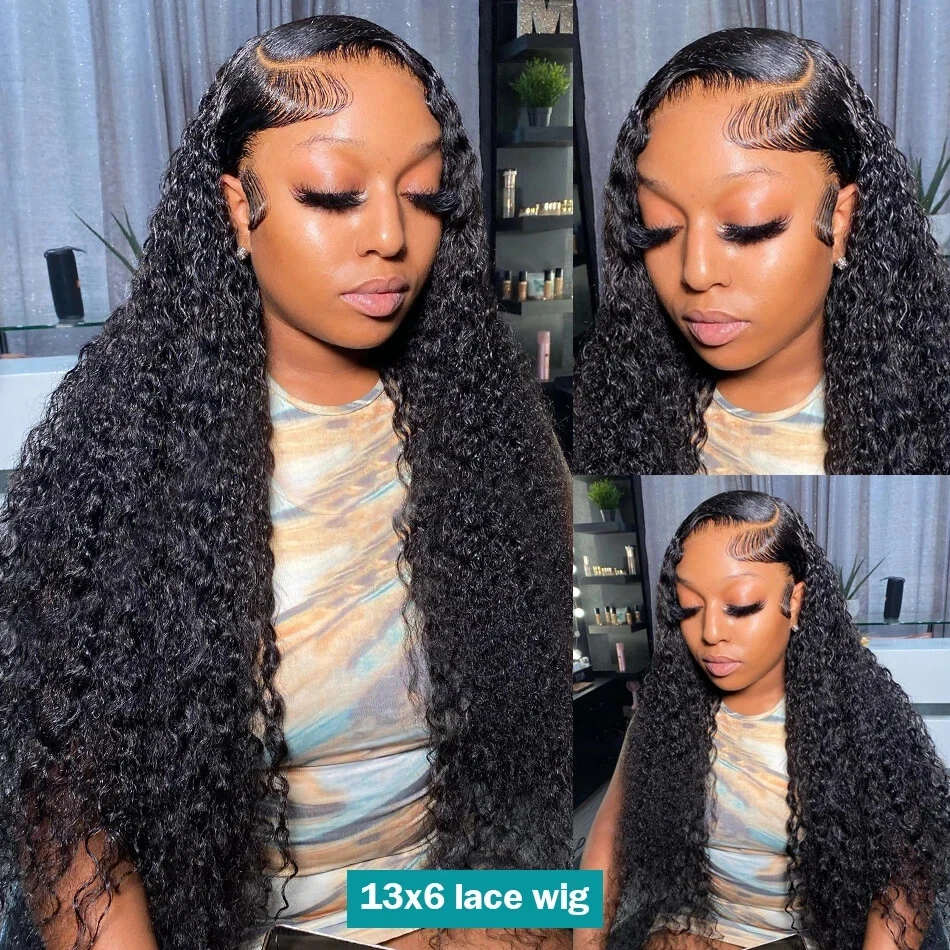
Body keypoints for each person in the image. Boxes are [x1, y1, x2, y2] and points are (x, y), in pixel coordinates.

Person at [0, 16, 571, 950]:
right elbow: (68, 824)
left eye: (423, 195)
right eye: (334, 195)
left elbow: (528, 778)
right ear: (238, 206)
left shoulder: (499, 438)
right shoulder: (130, 460)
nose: (390, 235)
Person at [578, 490, 950, 950]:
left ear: (796, 601)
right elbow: (609, 840)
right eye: (689, 608)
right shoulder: (665, 714)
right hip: (693, 930)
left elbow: (907, 877)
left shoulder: (859, 719)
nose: (711, 633)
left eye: (741, 607)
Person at [574, 28, 950, 475]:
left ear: (840, 220)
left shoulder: (928, 418)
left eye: (749, 228)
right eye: (660, 228)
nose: (696, 272)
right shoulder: (614, 412)